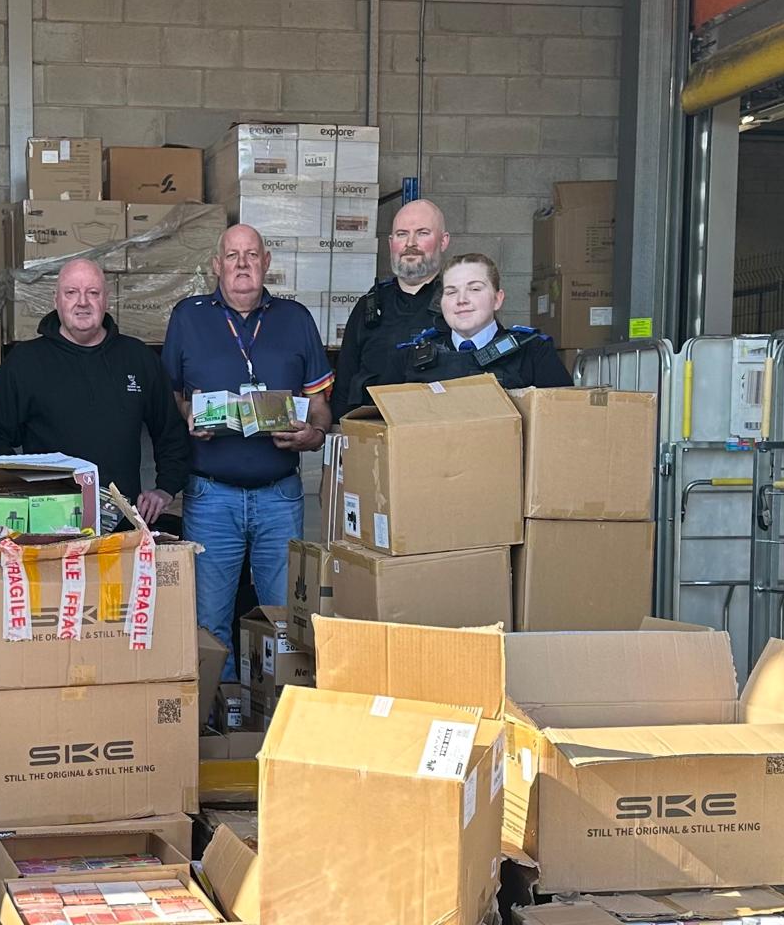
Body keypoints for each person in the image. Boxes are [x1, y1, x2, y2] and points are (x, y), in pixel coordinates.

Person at [162, 224, 332, 678]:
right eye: (233, 255)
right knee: (209, 624)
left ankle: (279, 711)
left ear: (266, 263)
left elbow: (319, 403)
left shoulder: (295, 318)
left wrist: (313, 434)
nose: (242, 264)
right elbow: (172, 395)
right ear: (216, 265)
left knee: (286, 621)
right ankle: (221, 713)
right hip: (211, 497)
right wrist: (189, 415)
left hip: (280, 496)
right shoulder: (189, 317)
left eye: (251, 255)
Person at [0, 258, 189, 524]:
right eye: (71, 292)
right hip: (47, 523)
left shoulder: (138, 359)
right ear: (56, 300)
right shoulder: (25, 362)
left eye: (93, 293)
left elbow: (171, 432)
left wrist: (166, 487)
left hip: (121, 525)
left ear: (106, 300)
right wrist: (25, 491)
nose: (83, 302)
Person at [330, 198, 451, 418]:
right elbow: (344, 388)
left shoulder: (460, 305)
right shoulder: (368, 307)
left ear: (443, 241)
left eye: (422, 233)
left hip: (437, 431)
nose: (410, 243)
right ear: (390, 242)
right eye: (402, 234)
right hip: (373, 432)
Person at [382, 252, 573, 390]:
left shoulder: (534, 352)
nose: (461, 300)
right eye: (451, 292)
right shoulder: (409, 357)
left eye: (474, 289)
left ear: (497, 299)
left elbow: (563, 419)